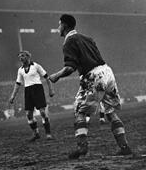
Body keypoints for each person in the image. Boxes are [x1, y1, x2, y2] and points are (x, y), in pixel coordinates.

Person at [49, 14, 132, 159]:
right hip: (107, 72)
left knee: (79, 111)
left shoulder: (68, 42)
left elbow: (70, 68)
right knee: (110, 111)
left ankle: (82, 148)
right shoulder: (87, 38)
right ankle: (124, 147)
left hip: (93, 76)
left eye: (59, 25)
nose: (58, 28)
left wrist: (56, 76)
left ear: (65, 25)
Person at [9, 51, 55, 141]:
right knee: (28, 114)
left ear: (28, 57)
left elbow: (47, 77)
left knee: (42, 112)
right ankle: (36, 133)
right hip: (28, 91)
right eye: (19, 57)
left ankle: (48, 133)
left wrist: (51, 89)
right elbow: (18, 83)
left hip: (38, 89)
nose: (20, 58)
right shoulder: (20, 70)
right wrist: (12, 96)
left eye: (22, 56)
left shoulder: (36, 66)